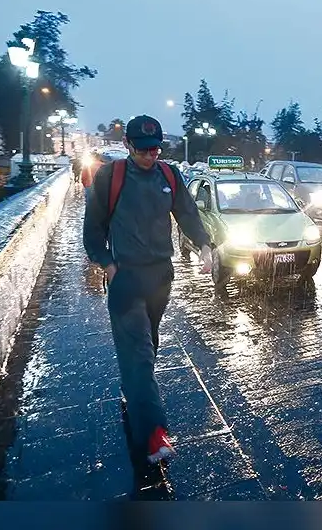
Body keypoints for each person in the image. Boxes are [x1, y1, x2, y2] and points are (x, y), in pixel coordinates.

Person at [83, 114, 213, 467]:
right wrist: (109, 264)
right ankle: (154, 433)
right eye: (142, 149)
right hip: (125, 280)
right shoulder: (111, 177)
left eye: (155, 148)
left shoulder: (169, 175)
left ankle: (134, 389)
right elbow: (92, 231)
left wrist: (204, 245)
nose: (150, 155)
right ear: (127, 145)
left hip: (161, 277)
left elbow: (186, 213)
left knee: (149, 343)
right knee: (139, 353)